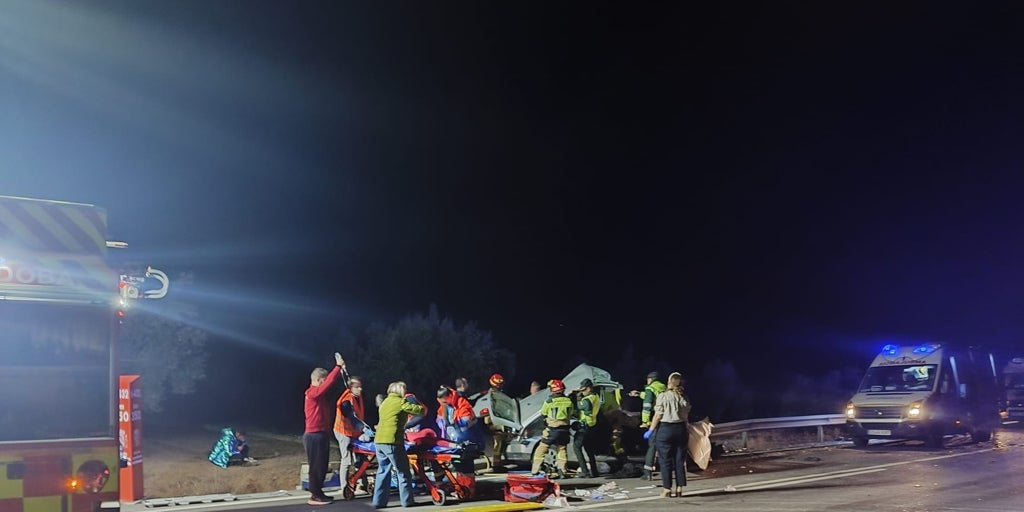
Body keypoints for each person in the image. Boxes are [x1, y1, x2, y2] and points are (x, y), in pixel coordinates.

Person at [373, 381, 426, 509]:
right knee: (403, 472)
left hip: (379, 441)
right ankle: (407, 501)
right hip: (393, 441)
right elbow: (421, 410)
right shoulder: (401, 402)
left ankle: (378, 501)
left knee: (383, 471)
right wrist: (413, 401)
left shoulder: (384, 402)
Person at [303, 352, 346, 506]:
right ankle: (315, 495)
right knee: (316, 466)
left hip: (321, 434)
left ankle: (319, 492)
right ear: (319, 380)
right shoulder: (312, 393)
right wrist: (338, 367)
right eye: (324, 381)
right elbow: (327, 385)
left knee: (321, 465)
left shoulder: (317, 396)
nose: (326, 384)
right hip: (314, 435)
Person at [643, 371, 691, 498]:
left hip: (666, 429)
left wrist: (651, 430)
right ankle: (680, 488)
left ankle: (667, 489)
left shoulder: (663, 396)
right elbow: (686, 416)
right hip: (681, 429)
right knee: (680, 460)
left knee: (665, 460)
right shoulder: (684, 397)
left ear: (669, 382)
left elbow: (658, 415)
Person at [530, 379, 575, 479]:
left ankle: (535, 470)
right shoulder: (568, 401)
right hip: (564, 430)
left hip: (552, 430)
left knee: (541, 449)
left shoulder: (549, 401)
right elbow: (571, 413)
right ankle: (562, 471)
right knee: (562, 450)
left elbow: (543, 413)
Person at [334, 375, 372, 492]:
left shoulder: (357, 397)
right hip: (343, 432)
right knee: (346, 460)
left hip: (355, 431)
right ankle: (344, 487)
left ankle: (363, 484)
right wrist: (364, 429)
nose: (360, 389)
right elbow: (352, 417)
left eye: (360, 387)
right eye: (357, 387)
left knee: (360, 458)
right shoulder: (346, 401)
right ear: (351, 388)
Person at [629, 370, 665, 480]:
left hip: (654, 419)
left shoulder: (650, 388)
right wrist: (639, 394)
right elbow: (653, 397)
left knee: (652, 445)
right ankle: (667, 470)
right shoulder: (663, 388)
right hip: (665, 419)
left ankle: (647, 472)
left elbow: (647, 405)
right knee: (664, 445)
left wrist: (645, 422)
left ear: (651, 379)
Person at [571, 379, 600, 478]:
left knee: (576, 447)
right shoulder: (596, 396)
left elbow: (580, 406)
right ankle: (594, 471)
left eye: (584, 390)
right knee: (589, 450)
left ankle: (585, 471)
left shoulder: (587, 400)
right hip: (592, 425)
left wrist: (577, 397)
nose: (582, 392)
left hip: (584, 426)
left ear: (589, 388)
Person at [480, 373, 510, 470]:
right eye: (499, 384)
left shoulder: (497, 394)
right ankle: (496, 465)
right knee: (498, 442)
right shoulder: (491, 396)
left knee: (501, 442)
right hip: (493, 421)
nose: (501, 386)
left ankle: (498, 462)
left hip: (498, 420)